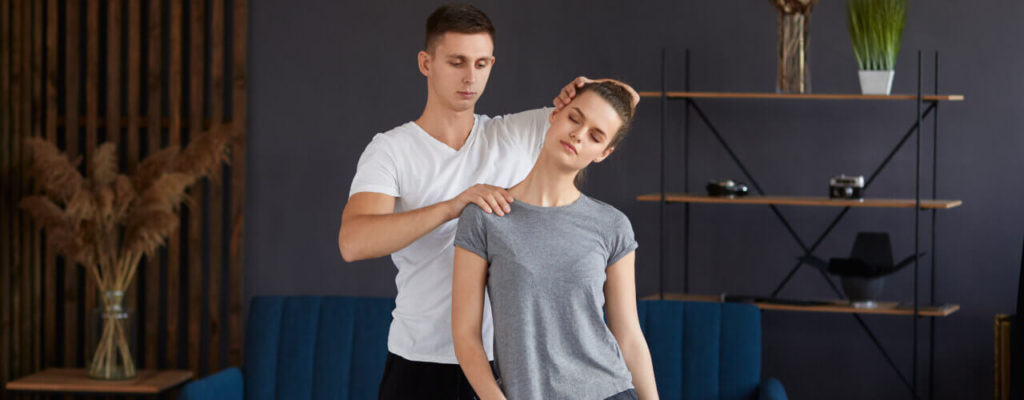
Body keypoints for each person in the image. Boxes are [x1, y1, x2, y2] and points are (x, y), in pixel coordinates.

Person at [337, 4, 638, 399]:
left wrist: (586, 85)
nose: (470, 77)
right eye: (457, 62)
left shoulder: (516, 132)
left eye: (481, 64)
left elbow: (624, 103)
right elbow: (353, 242)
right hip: (421, 357)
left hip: (505, 364)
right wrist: (452, 206)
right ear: (426, 63)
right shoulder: (392, 150)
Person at [452, 81, 658, 400]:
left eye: (595, 135)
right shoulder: (485, 216)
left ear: (603, 153)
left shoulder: (612, 225)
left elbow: (629, 335)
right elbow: (465, 335)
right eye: (575, 118)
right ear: (555, 114)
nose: (578, 134)